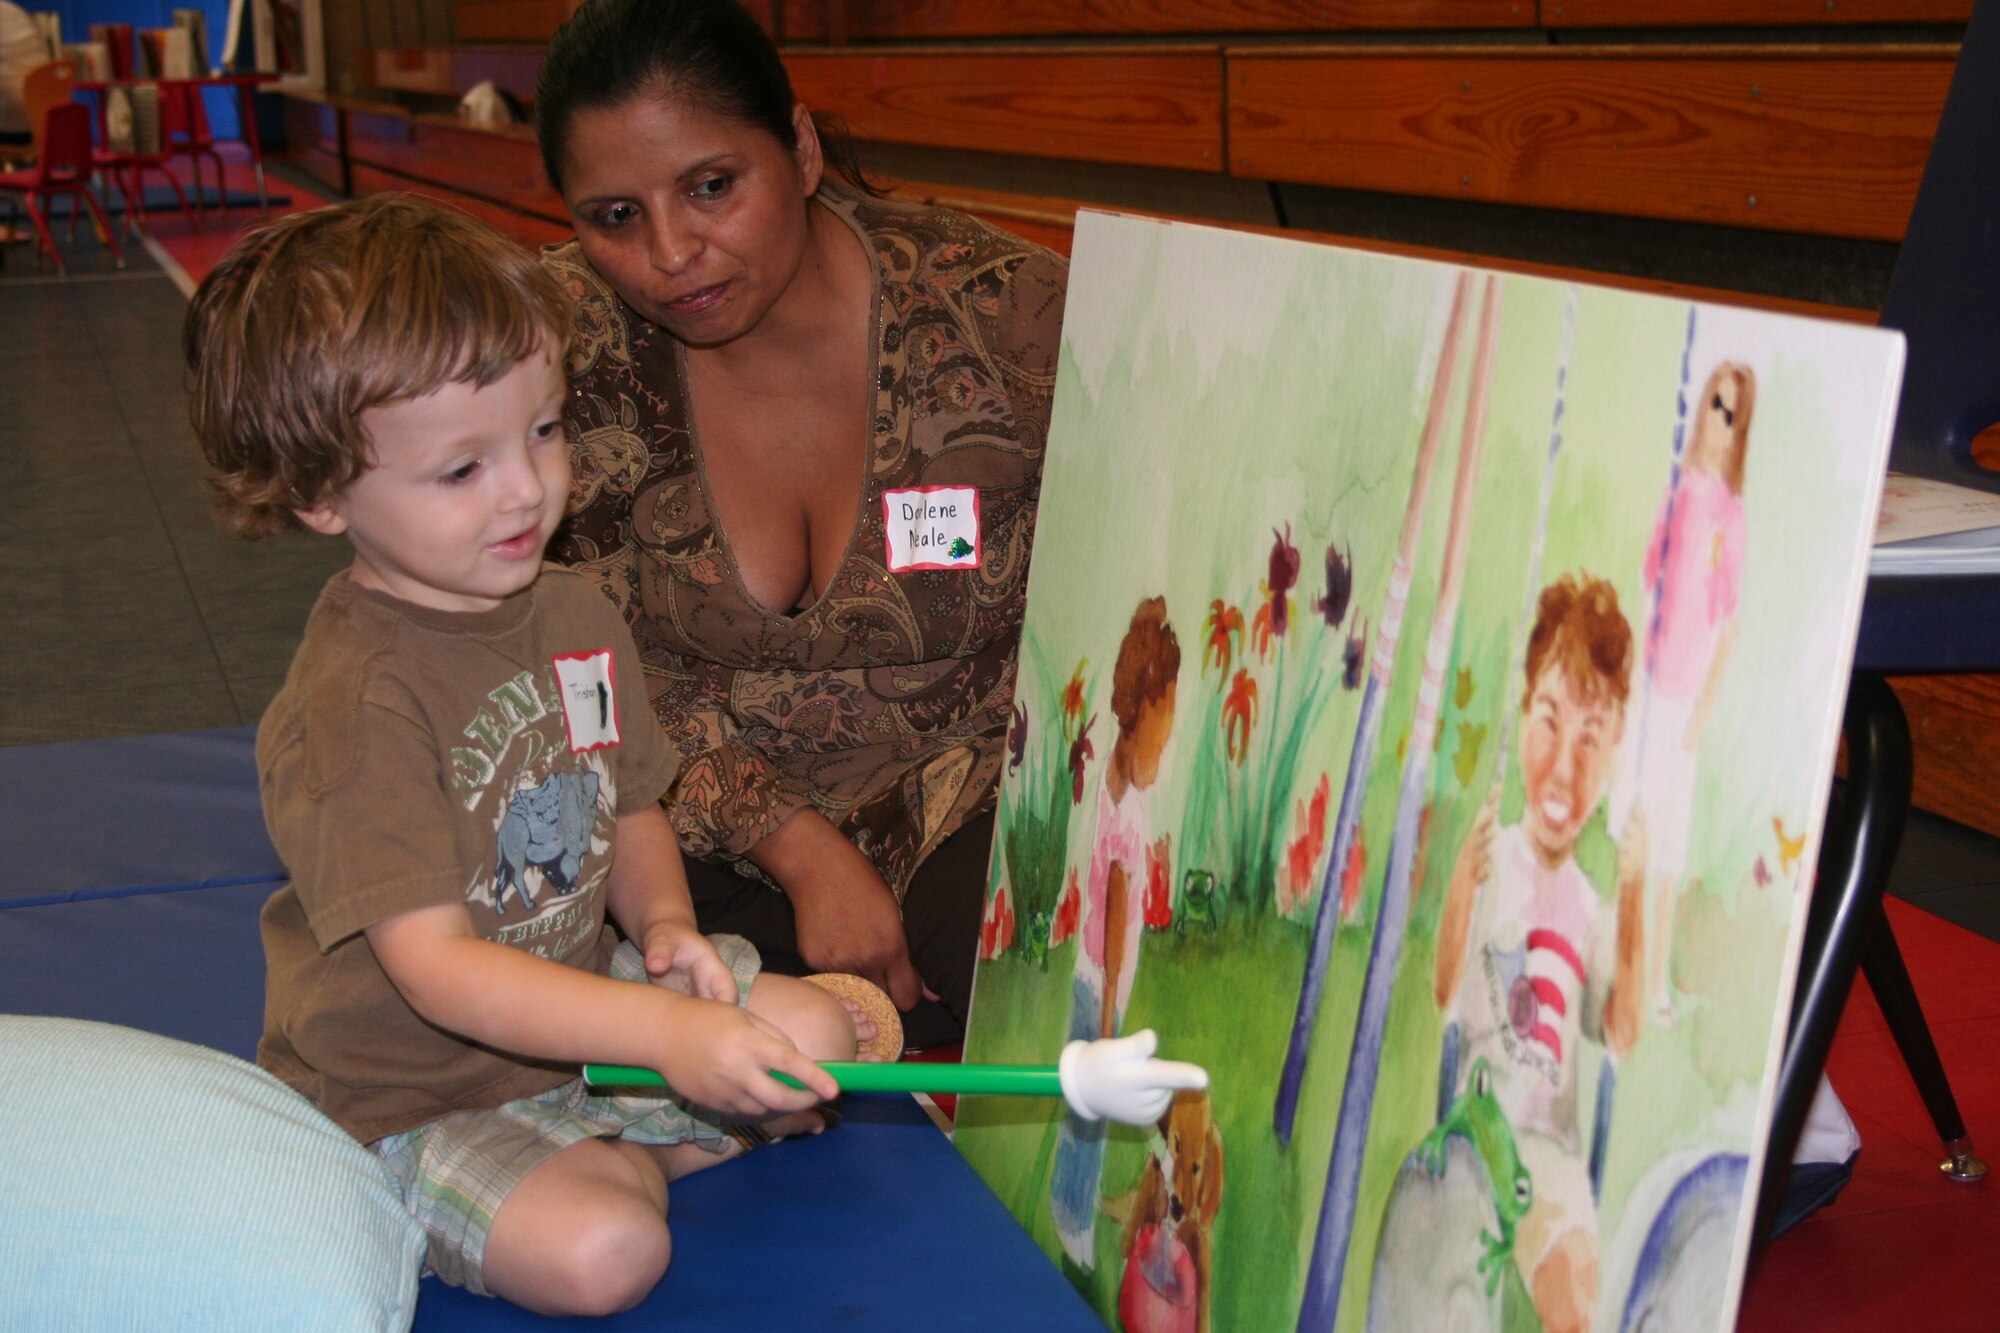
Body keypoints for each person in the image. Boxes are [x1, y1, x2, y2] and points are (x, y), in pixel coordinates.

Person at [183, 195, 866, 1316]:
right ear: (320, 495)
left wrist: (664, 932)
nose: (525, 490)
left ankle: (642, 1131)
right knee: (602, 1254)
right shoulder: (355, 703)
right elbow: (440, 971)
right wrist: (667, 1034)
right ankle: (627, 1154)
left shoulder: (574, 607)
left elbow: (627, 802)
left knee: (818, 1036)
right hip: (419, 1092)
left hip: (583, 1003)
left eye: (541, 432)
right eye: (460, 471)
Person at [535, 0, 1068, 1050]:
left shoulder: (1006, 317)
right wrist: (790, 839)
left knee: (1053, 1010)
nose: (671, 252)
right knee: (709, 1012)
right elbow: (576, 660)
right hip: (688, 827)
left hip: (975, 798)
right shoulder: (560, 354)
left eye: (711, 186)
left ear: (803, 147)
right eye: (613, 217)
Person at [1433, 573, 1645, 1333]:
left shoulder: (1591, 903)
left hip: (1548, 1157)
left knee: (1577, 1300)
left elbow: (1619, 1032)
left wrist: (1635, 900)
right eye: (1550, 721)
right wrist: (1462, 882)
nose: (1564, 766)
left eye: (1592, 738)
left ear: (1615, 752)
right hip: (1474, 1132)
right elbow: (1445, 986)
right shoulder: (1495, 860)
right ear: (1522, 716)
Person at [1050, 596, 1181, 1270]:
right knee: (1091, 1108)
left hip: (1094, 974)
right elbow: (1119, 911)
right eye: (1168, 715)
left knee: (1084, 1102)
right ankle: (1071, 1220)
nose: (1171, 729)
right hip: (1100, 981)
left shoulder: (1118, 780)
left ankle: (1067, 1206)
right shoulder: (1130, 803)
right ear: (1146, 709)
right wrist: (1108, 1020)